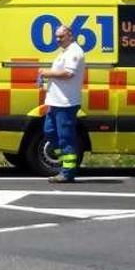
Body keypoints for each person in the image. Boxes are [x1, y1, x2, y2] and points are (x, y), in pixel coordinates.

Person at [39, 24, 86, 183]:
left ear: (70, 36)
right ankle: (65, 165)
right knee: (49, 132)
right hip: (56, 101)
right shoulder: (64, 52)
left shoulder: (74, 52)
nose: (57, 39)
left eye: (61, 36)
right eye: (56, 36)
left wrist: (46, 73)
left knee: (66, 138)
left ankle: (67, 172)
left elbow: (68, 73)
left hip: (66, 103)